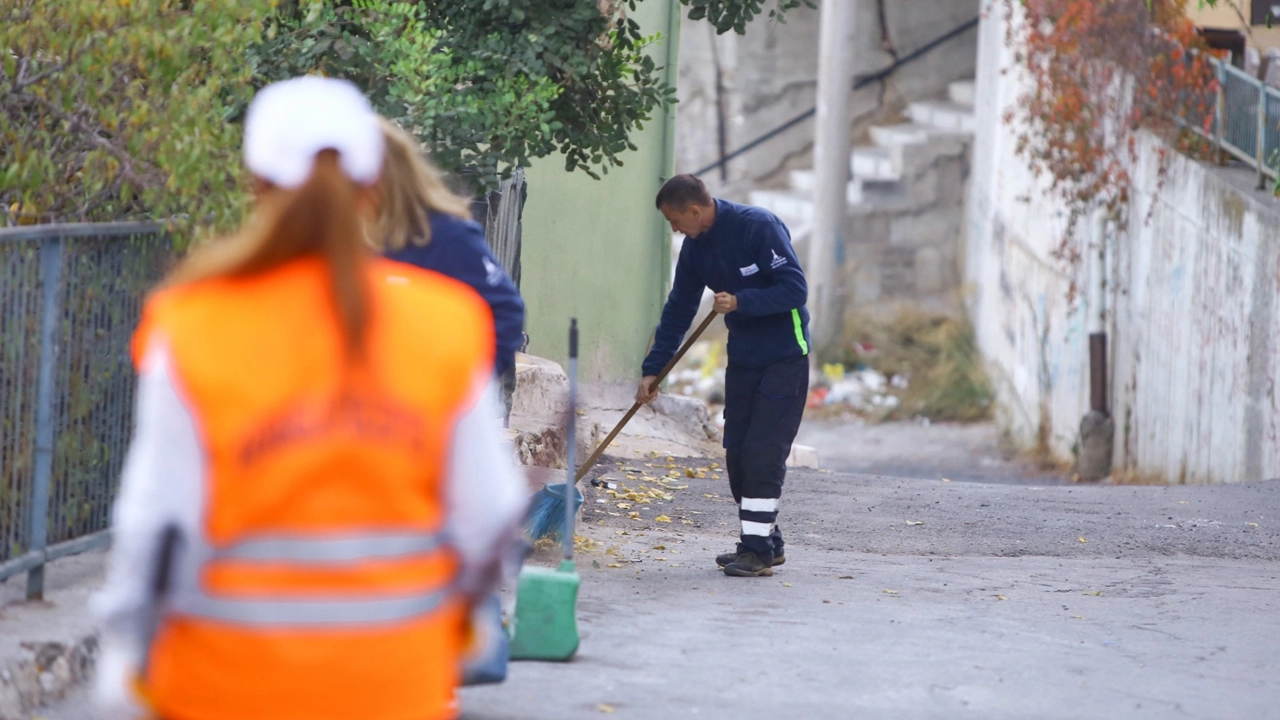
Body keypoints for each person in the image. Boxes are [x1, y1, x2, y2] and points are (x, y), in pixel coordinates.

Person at [92, 76, 526, 720]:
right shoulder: (444, 323)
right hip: (396, 687)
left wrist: (125, 664)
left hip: (222, 687)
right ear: (374, 187)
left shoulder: (191, 321)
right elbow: (488, 515)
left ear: (255, 182)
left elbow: (157, 526)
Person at [636, 174, 810, 578]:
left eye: (675, 221)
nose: (675, 230)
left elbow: (795, 289)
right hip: (744, 359)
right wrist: (653, 370)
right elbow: (679, 310)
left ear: (694, 210)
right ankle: (767, 541)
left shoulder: (758, 227)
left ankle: (757, 552)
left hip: (786, 356)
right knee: (737, 455)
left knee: (763, 453)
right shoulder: (697, 249)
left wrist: (742, 301)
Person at [372, 118, 525, 424]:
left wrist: (463, 389)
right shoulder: (337, 237)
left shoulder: (443, 234)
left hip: (423, 416)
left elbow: (505, 310)